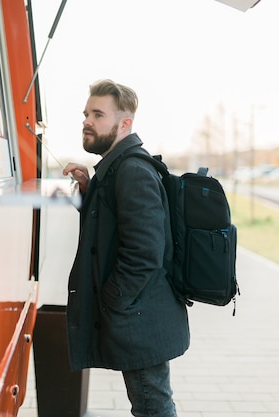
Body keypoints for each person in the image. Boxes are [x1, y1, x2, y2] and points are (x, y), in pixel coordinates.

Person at [62, 79, 190, 417]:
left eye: (98, 114)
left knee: (152, 406)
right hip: (138, 312)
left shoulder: (132, 170)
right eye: (86, 113)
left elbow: (146, 251)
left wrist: (113, 300)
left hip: (139, 316)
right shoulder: (117, 169)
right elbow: (118, 226)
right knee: (150, 404)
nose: (87, 121)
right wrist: (89, 190)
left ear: (125, 123)